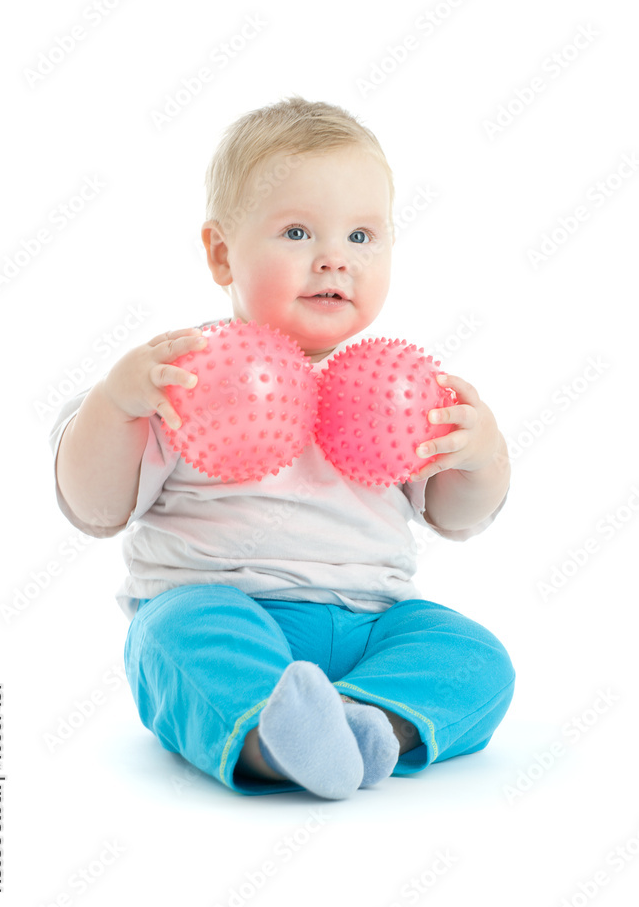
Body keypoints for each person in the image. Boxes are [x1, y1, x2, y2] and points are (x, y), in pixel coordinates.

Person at [49, 96, 515, 799]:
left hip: (372, 622)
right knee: (177, 638)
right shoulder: (181, 377)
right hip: (220, 604)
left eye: (362, 237)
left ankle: (367, 722)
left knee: (474, 658)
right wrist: (116, 405)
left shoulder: (401, 391)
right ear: (219, 253)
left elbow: (457, 515)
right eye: (297, 232)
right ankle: (273, 739)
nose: (334, 259)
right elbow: (94, 505)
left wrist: (479, 454)